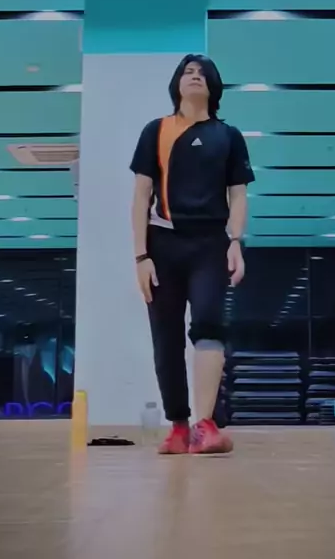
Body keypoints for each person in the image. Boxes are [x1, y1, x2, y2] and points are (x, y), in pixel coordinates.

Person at [130, 54, 254, 454]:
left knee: (208, 324)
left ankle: (205, 425)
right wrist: (140, 257)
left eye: (202, 73)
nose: (195, 76)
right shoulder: (156, 131)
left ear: (213, 86)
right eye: (188, 72)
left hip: (210, 244)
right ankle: (179, 427)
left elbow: (238, 194)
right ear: (177, 84)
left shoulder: (228, 136)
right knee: (165, 338)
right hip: (162, 244)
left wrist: (236, 241)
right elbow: (141, 196)